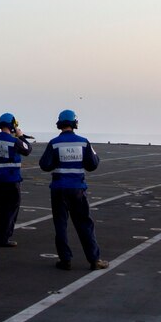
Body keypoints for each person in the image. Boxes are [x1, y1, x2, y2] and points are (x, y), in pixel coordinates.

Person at [39, 109, 108, 271]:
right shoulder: (84, 142)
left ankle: (65, 259)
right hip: (77, 189)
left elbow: (45, 165)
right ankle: (94, 259)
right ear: (75, 123)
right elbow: (93, 164)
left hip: (58, 189)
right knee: (84, 224)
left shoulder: (54, 143)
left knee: (60, 225)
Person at [0, 113, 33, 247]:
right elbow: (27, 150)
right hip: (12, 181)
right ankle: (5, 238)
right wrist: (20, 136)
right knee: (11, 210)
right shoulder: (14, 141)